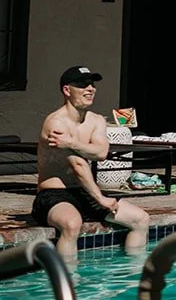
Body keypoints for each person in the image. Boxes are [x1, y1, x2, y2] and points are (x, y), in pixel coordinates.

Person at [32, 65, 149, 261]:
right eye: (82, 84)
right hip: (53, 194)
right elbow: (78, 165)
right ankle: (68, 283)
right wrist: (100, 198)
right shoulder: (56, 123)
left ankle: (132, 276)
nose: (90, 89)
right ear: (67, 90)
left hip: (84, 193)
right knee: (71, 224)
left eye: (92, 84)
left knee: (140, 220)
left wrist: (71, 142)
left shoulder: (96, 121)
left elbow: (101, 152)